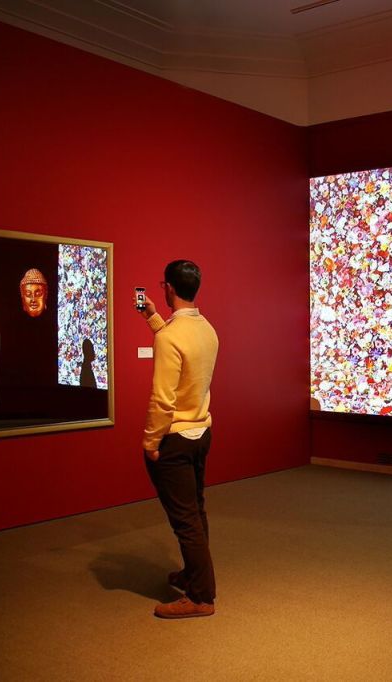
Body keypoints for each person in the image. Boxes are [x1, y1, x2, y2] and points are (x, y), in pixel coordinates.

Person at [138, 260, 219, 619]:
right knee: (195, 512)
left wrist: (150, 442)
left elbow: (163, 399)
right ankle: (193, 575)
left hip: (174, 439)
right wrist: (153, 319)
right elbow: (181, 347)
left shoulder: (170, 336)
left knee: (185, 520)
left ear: (168, 288)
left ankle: (201, 597)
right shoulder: (207, 330)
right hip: (201, 433)